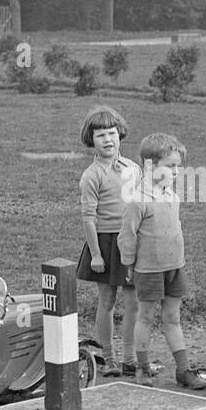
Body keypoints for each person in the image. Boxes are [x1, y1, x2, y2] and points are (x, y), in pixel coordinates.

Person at [118, 132, 206, 390]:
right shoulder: (137, 200)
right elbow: (127, 237)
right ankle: (142, 368)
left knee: (173, 318)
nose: (176, 172)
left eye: (178, 167)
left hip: (175, 268)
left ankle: (183, 370)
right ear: (150, 166)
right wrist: (129, 264)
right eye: (170, 166)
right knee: (145, 317)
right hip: (148, 270)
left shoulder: (172, 196)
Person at [75, 106, 141, 377]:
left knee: (134, 301)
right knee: (107, 301)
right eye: (100, 135)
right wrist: (96, 254)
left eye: (111, 133)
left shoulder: (134, 168)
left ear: (120, 134)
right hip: (104, 242)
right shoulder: (92, 175)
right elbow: (88, 218)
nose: (108, 139)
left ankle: (129, 356)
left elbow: (142, 205)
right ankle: (109, 358)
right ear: (92, 139)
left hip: (131, 241)